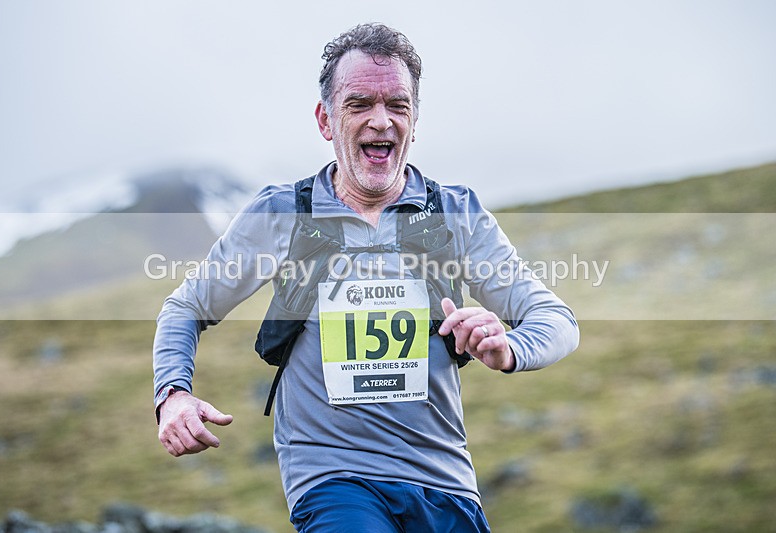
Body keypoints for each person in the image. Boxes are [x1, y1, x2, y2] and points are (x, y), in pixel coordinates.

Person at [153, 23, 579, 532]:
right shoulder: (284, 214)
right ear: (325, 120)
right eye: (359, 105)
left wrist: (508, 348)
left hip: (445, 483)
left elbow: (557, 321)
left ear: (415, 121)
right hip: (333, 479)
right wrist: (173, 394)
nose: (381, 121)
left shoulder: (454, 214)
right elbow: (185, 308)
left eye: (398, 105)